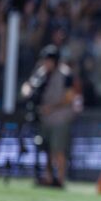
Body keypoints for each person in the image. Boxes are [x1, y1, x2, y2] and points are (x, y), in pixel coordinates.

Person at [21, 45, 77, 188]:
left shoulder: (66, 74)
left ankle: (61, 180)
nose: (46, 63)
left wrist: (51, 108)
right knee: (45, 149)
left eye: (49, 61)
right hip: (44, 118)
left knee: (58, 150)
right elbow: (28, 85)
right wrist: (26, 91)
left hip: (60, 118)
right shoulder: (41, 72)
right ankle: (49, 178)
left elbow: (70, 97)